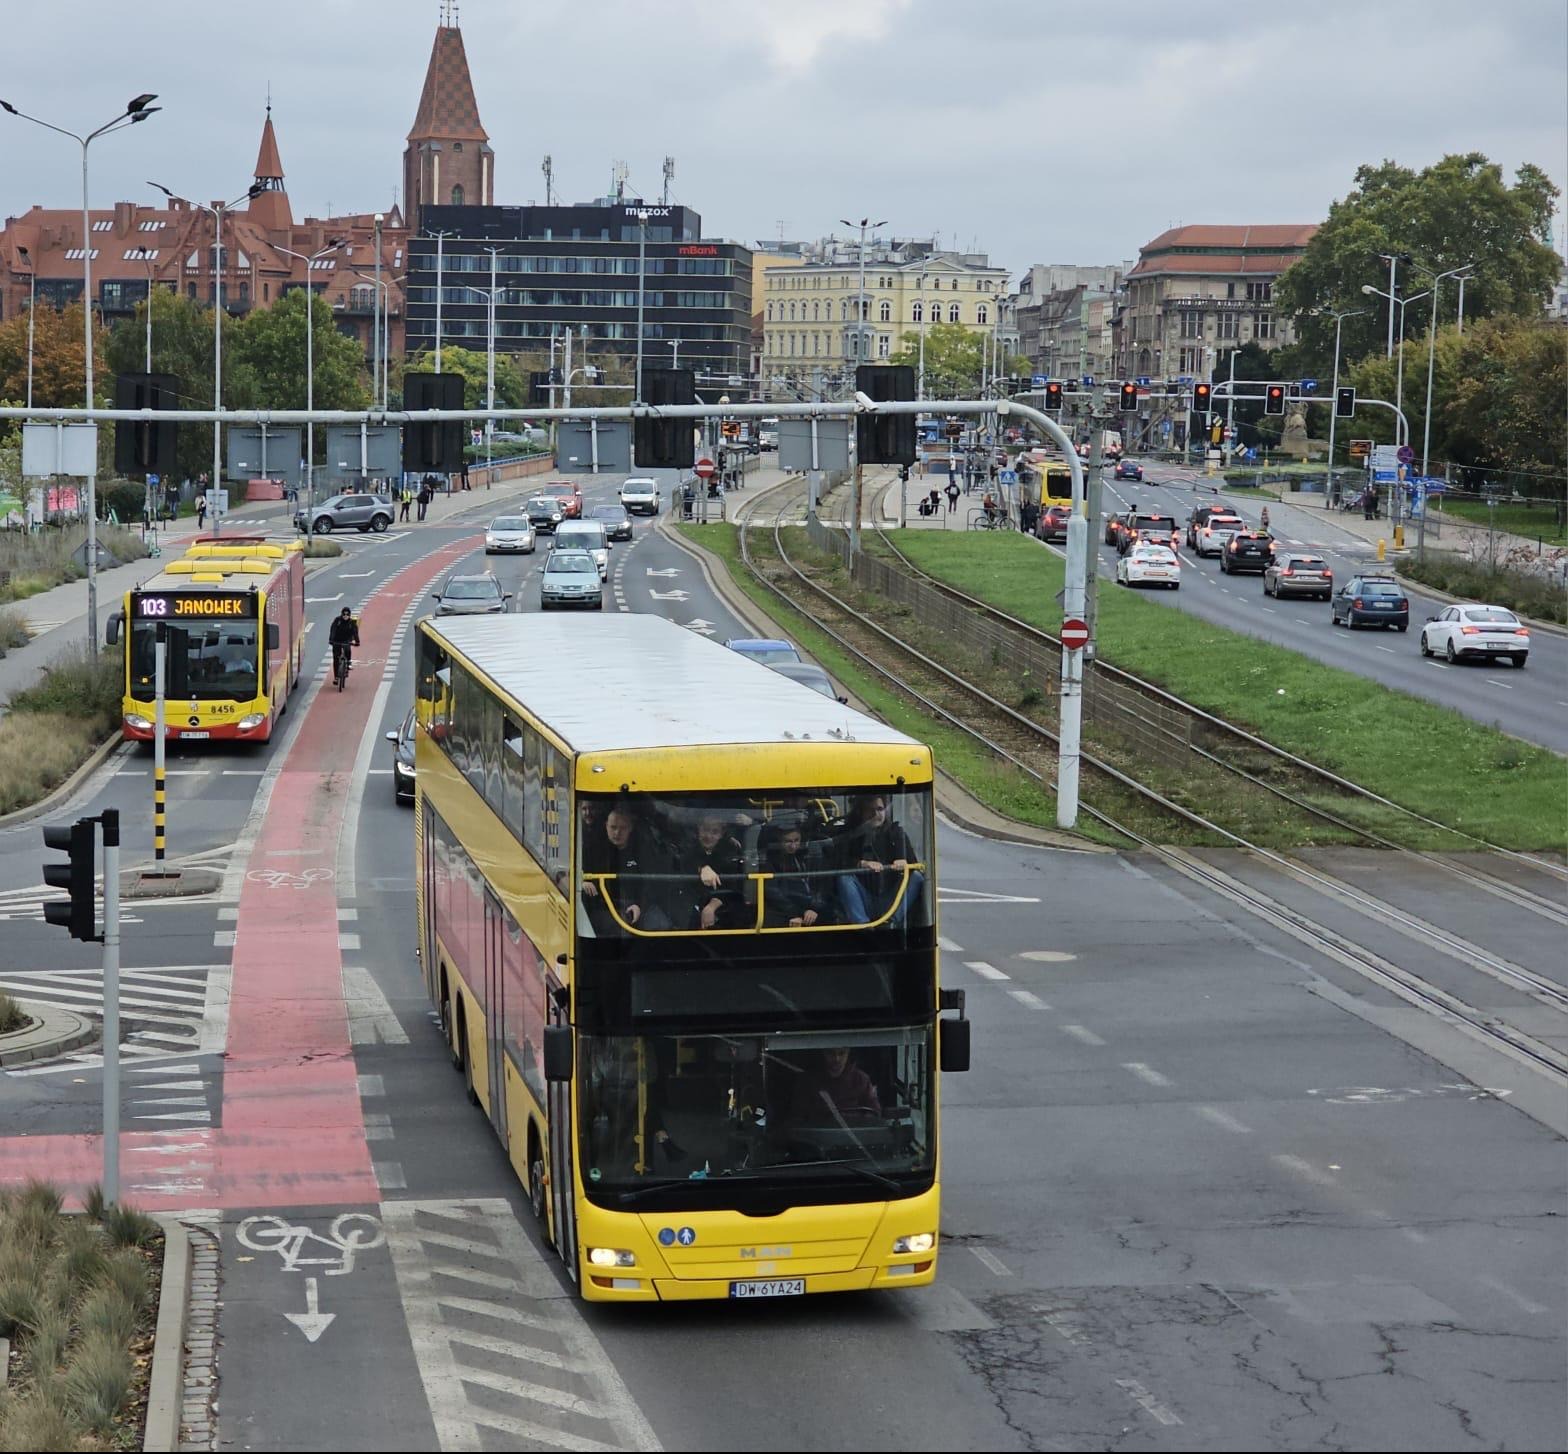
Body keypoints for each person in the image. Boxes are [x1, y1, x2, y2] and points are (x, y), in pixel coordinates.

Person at [835, 794, 923, 928]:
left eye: (880, 809)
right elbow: (838, 861)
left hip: (891, 897)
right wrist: (861, 864)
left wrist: (902, 862)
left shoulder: (895, 832)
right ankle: (863, 925)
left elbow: (913, 863)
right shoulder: (850, 834)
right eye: (871, 810)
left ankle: (890, 922)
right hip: (863, 897)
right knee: (844, 878)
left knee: (916, 877)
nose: (877, 814)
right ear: (861, 812)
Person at [580, 804, 672, 933]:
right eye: (613, 827)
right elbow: (576, 870)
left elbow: (651, 882)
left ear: (631, 828)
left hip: (638, 904)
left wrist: (640, 905)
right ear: (606, 826)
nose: (617, 833)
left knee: (661, 924)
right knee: (619, 929)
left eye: (623, 828)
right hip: (604, 906)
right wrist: (582, 881)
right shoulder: (594, 850)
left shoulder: (643, 850)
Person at [678, 812, 747, 929]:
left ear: (722, 834)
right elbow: (682, 864)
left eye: (714, 832)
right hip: (689, 909)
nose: (708, 836)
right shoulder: (687, 847)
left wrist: (712, 906)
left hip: (727, 911)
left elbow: (733, 886)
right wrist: (702, 868)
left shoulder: (731, 849)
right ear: (698, 829)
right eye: (705, 830)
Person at [761, 822, 831, 928]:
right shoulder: (771, 861)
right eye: (788, 841)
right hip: (784, 910)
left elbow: (822, 884)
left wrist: (814, 908)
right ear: (779, 840)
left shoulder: (810, 856)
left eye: (796, 840)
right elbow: (772, 891)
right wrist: (793, 913)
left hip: (812, 908)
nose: (793, 846)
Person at [788, 1048, 881, 1124]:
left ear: (848, 1053)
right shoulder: (807, 1081)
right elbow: (798, 1118)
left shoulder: (862, 1079)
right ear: (823, 1053)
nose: (837, 1059)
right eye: (830, 1053)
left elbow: (874, 1114)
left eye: (842, 1053)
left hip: (854, 1141)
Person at [328, 607, 359, 682]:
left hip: (347, 640)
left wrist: (357, 641)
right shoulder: (337, 620)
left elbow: (355, 632)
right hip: (337, 640)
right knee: (336, 658)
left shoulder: (352, 622)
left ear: (349, 615)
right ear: (341, 614)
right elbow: (333, 630)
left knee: (347, 649)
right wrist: (331, 640)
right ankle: (336, 677)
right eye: (344, 614)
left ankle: (348, 662)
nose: (345, 616)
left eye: (347, 615)